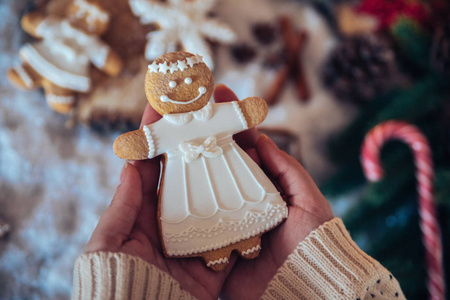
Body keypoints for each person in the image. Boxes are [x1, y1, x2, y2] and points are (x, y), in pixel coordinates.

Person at [72, 85, 405, 300]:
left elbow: (248, 112)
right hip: (189, 187)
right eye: (175, 85)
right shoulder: (166, 129)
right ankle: (211, 248)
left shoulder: (213, 114)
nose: (184, 89)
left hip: (232, 172)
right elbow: (139, 143)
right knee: (198, 216)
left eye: (191, 82)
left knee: (243, 203)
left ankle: (250, 239)